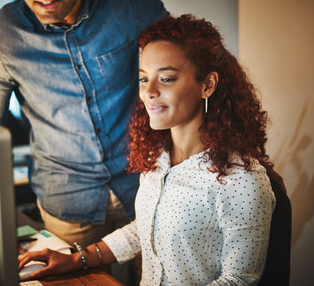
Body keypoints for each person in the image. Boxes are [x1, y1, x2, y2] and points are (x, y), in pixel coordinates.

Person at [18, 14, 277, 285]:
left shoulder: (242, 180)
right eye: (143, 79)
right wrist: (78, 258)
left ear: (207, 85)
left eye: (166, 78)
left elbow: (239, 280)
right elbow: (144, 228)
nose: (149, 92)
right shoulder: (159, 159)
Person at [0, 0, 168, 246]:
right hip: (66, 200)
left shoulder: (127, 1)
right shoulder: (3, 36)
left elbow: (183, 66)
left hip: (145, 183)